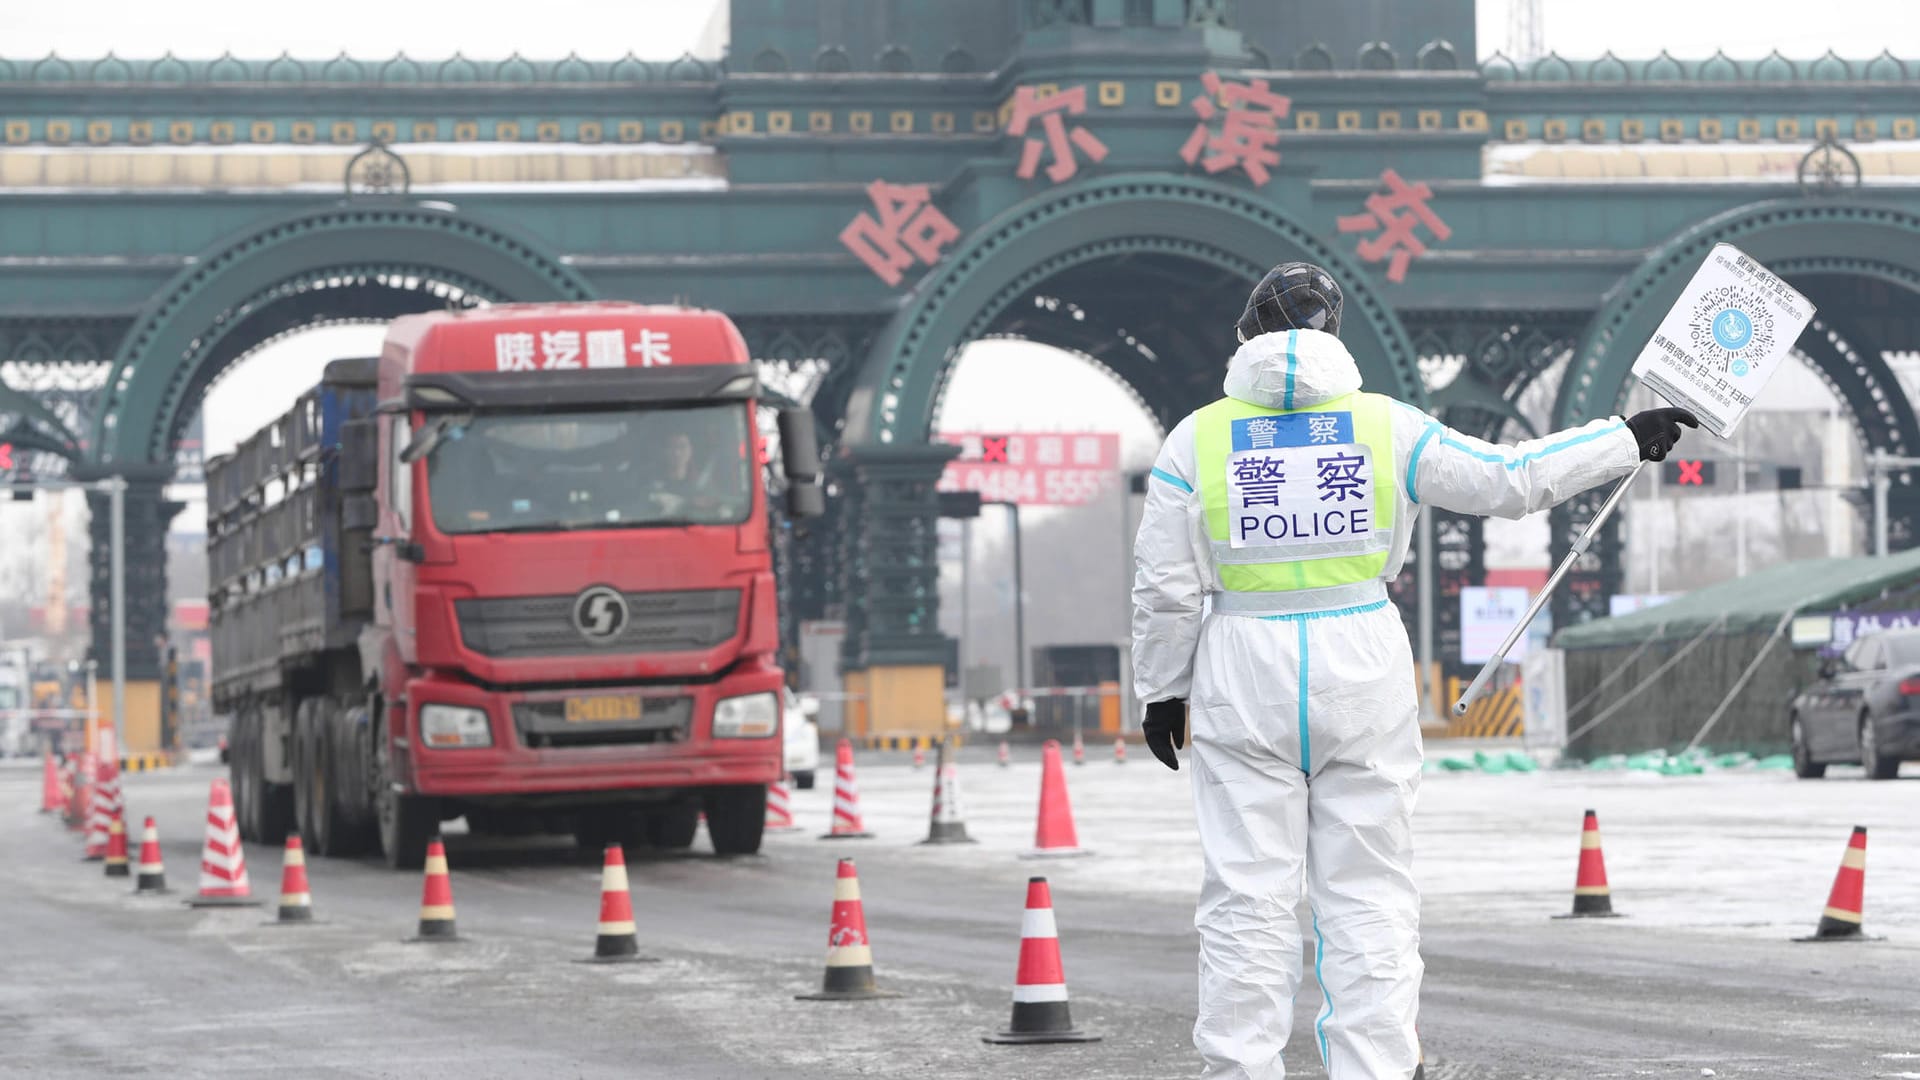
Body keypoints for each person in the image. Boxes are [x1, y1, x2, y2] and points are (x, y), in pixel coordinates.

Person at [1130, 261, 1696, 1079]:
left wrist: (1162, 690)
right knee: (1368, 895)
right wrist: (1623, 439)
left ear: (1246, 336)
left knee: (1247, 898)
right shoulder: (1386, 426)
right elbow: (1511, 480)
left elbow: (1165, 587)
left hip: (1240, 666)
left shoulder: (1196, 439)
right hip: (1362, 655)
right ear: (1335, 335)